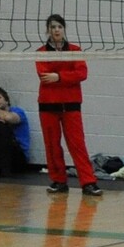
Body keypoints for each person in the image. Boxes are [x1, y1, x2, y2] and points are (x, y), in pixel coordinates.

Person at [35, 13, 99, 197]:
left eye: (59, 27)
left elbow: (82, 73)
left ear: (64, 29)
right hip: (48, 105)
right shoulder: (40, 52)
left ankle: (88, 182)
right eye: (53, 27)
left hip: (71, 104)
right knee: (52, 145)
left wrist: (59, 76)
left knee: (77, 144)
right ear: (48, 30)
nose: (56, 30)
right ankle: (59, 181)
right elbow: (44, 76)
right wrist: (67, 76)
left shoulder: (75, 50)